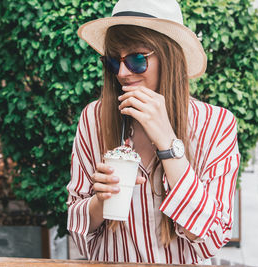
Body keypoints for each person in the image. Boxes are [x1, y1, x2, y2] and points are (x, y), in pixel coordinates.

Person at [66, 0, 240, 264]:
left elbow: (213, 237)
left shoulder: (216, 124)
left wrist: (169, 144)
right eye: (114, 61)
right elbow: (77, 228)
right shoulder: (94, 119)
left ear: (169, 57)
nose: (122, 73)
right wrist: (100, 202)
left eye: (137, 59)